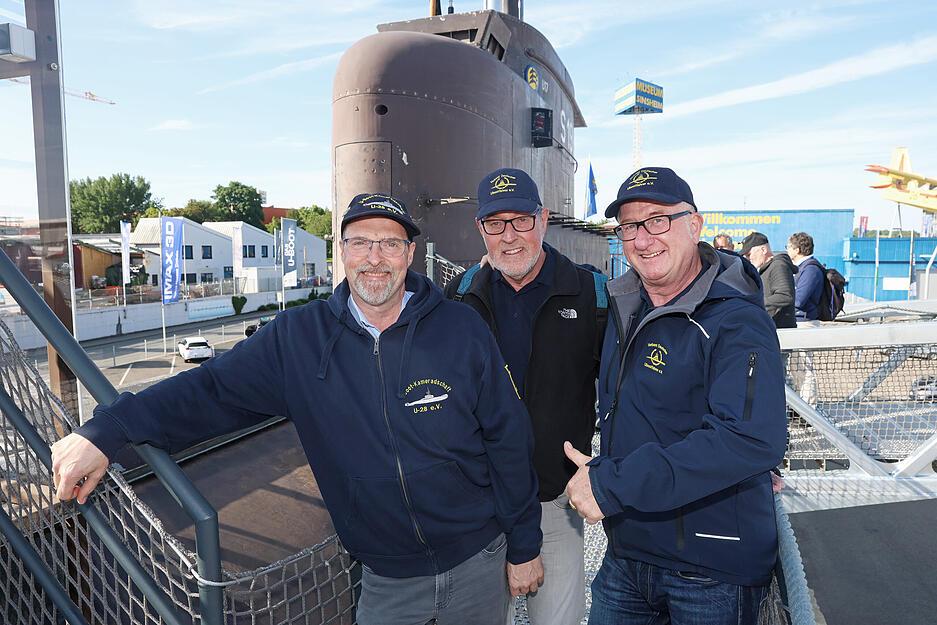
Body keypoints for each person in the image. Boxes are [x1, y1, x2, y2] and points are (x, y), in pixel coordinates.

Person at [51, 193, 544, 625]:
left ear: (410, 254)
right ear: (342, 252)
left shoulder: (461, 328)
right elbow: (210, 390)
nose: (375, 258)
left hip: (478, 559)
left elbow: (508, 437)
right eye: (361, 242)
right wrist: (108, 430)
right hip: (387, 578)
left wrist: (524, 545)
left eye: (390, 243)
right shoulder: (297, 339)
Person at [563, 167, 787, 625]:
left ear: (694, 224)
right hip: (630, 553)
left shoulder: (736, 320)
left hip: (711, 570)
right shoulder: (627, 305)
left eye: (658, 220)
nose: (643, 239)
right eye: (629, 226)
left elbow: (749, 438)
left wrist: (611, 484)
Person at [444, 167, 607, 625]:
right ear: (480, 228)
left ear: (544, 218)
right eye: (495, 223)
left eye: (521, 220)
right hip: (476, 506)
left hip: (552, 500)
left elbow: (630, 389)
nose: (509, 236)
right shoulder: (458, 299)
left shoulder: (591, 295)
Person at [739, 231, 796, 329]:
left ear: (763, 249)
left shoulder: (778, 266)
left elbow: (785, 296)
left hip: (780, 330)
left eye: (749, 254)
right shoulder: (766, 269)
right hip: (770, 328)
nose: (747, 259)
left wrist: (754, 304)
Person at [786, 232, 824, 325]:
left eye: (788, 247)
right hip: (798, 320)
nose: (786, 250)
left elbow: (799, 301)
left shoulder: (810, 270)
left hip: (804, 323)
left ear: (797, 250)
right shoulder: (802, 267)